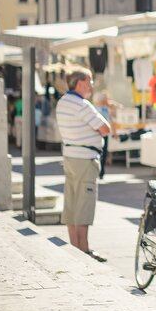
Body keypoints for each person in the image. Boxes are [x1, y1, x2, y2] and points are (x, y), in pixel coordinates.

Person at [55, 69, 111, 262]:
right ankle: (84, 250)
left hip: (70, 156)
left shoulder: (62, 102)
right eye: (89, 82)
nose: (92, 86)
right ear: (79, 83)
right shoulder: (82, 105)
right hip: (85, 158)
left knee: (71, 201)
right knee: (84, 203)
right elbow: (105, 128)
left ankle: (74, 247)